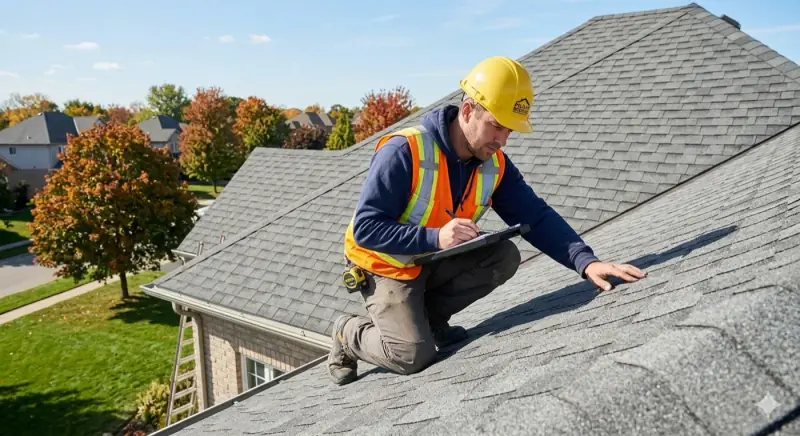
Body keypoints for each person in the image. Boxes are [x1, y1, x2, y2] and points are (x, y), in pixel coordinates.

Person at [328, 56, 647, 385]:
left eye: (509, 129)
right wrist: (435, 238)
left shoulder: (494, 163)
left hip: (430, 259)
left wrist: (586, 262)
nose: (503, 139)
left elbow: (534, 214)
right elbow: (367, 228)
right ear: (468, 111)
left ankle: (428, 319)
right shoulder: (404, 151)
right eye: (496, 125)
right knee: (412, 355)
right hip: (384, 264)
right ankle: (348, 333)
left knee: (503, 255)